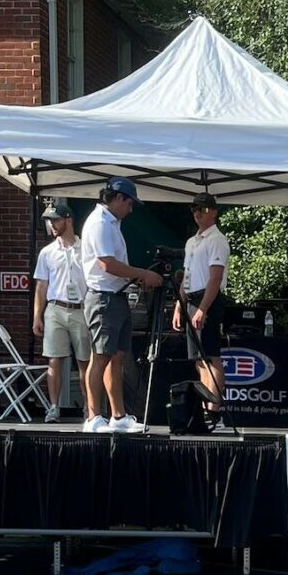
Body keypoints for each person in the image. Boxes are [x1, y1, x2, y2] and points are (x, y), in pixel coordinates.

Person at [81, 177, 163, 434]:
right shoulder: (100, 224)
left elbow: (114, 266)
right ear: (118, 198)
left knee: (116, 358)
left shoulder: (110, 223)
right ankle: (93, 417)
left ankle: (118, 416)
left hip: (114, 296)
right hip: (103, 297)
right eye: (130, 203)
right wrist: (142, 274)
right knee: (101, 357)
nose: (131, 209)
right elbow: (107, 264)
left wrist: (134, 278)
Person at [32, 197, 93, 425]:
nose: (52, 225)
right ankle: (53, 407)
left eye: (55, 220)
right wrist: (37, 315)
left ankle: (90, 408)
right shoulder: (47, 252)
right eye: (50, 221)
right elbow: (41, 285)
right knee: (54, 360)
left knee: (84, 361)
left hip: (81, 308)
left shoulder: (86, 248)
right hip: (55, 307)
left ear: (68, 220)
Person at [173, 192, 229, 418]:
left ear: (214, 212)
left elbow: (215, 278)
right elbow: (187, 275)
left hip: (208, 298)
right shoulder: (192, 241)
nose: (198, 213)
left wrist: (204, 308)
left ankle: (214, 408)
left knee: (210, 355)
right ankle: (206, 404)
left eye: (203, 209)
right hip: (192, 299)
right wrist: (179, 305)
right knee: (198, 358)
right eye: (194, 209)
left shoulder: (217, 240)